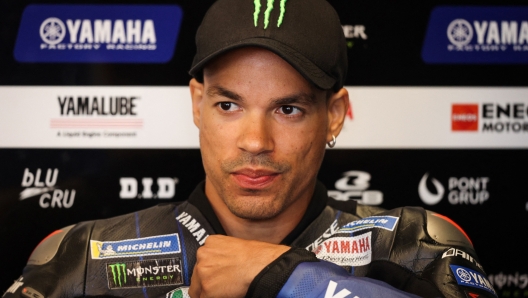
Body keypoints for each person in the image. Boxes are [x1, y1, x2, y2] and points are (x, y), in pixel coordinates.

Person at [3, 0, 496, 297]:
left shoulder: (415, 243)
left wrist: (281, 277)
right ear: (197, 104)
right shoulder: (82, 257)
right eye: (228, 106)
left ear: (336, 115)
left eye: (288, 109)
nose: (256, 142)